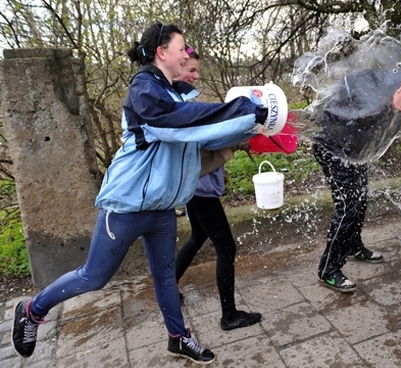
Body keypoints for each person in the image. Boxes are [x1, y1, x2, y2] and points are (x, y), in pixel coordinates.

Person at [11, 22, 269, 365]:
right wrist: (240, 108)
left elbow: (200, 138)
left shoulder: (174, 92)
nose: (187, 53)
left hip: (162, 208)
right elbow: (175, 123)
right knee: (94, 277)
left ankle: (178, 337)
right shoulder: (145, 91)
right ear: (162, 53)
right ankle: (32, 310)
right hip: (126, 207)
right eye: (182, 47)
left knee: (164, 276)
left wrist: (251, 128)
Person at [173, 46, 262, 331]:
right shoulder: (180, 108)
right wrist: (235, 138)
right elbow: (203, 151)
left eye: (198, 71)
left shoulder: (182, 102)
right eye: (191, 71)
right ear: (176, 67)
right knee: (226, 247)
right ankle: (229, 315)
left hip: (194, 190)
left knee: (198, 236)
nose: (196, 76)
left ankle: (166, 286)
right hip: (199, 190)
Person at [313, 68, 401, 292]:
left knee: (361, 199)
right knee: (348, 207)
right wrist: (396, 110)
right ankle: (328, 269)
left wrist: (399, 113)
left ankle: (353, 245)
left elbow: (383, 135)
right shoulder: (366, 90)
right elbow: (365, 120)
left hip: (354, 151)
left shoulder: (381, 89)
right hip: (334, 149)